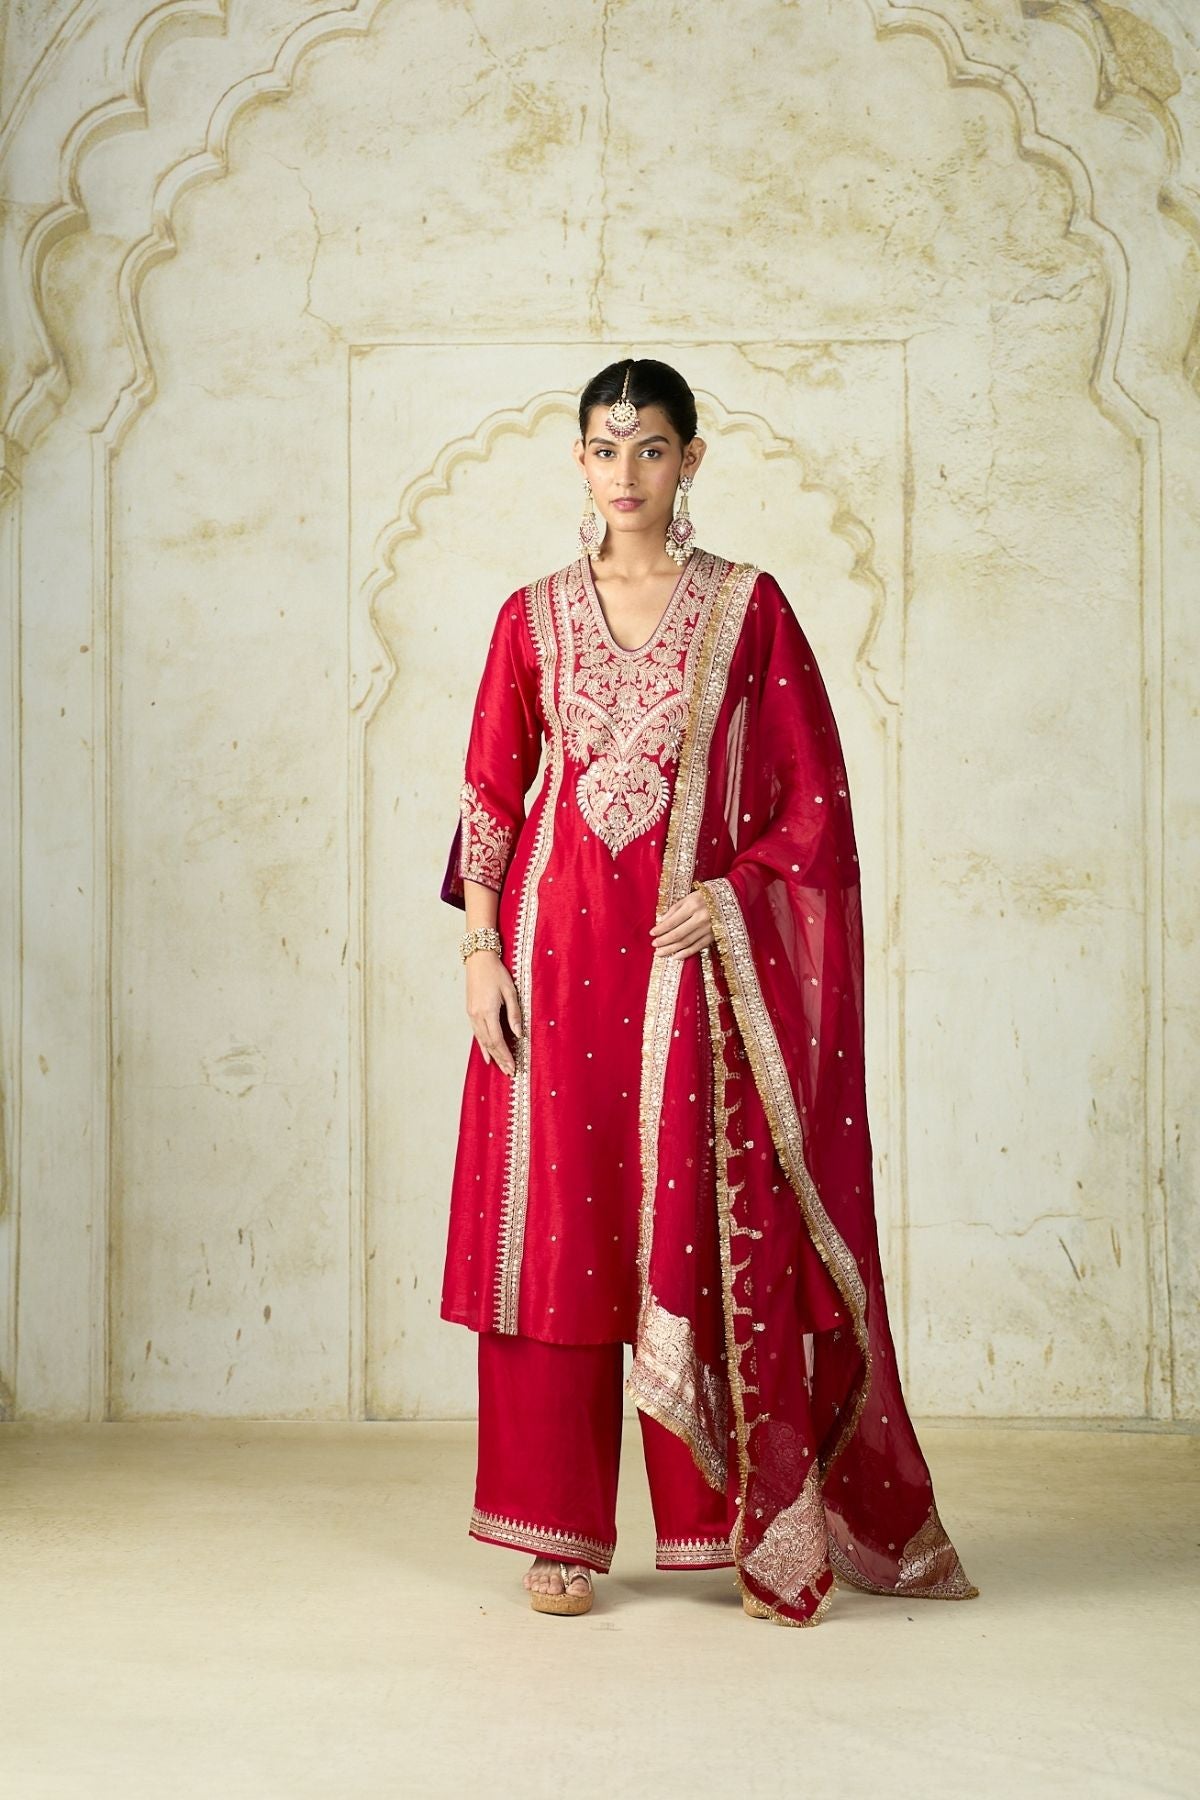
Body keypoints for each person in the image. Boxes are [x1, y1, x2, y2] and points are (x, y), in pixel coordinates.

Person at [438, 356, 979, 1625]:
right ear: (578, 461)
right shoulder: (529, 617)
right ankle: (558, 1534)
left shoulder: (748, 607)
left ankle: (724, 1519)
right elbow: (490, 796)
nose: (624, 473)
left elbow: (814, 803)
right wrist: (479, 952)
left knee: (687, 1222)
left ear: (690, 459)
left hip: (688, 977)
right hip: (551, 970)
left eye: (651, 449)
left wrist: (736, 893)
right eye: (603, 449)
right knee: (555, 1236)